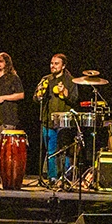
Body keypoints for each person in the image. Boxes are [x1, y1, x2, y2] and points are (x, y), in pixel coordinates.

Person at [33, 53, 78, 184]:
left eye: (56, 64)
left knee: (65, 150)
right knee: (51, 150)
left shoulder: (71, 81)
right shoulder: (45, 79)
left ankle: (66, 177)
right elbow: (35, 98)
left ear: (63, 66)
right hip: (48, 120)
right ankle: (52, 178)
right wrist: (39, 94)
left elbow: (75, 100)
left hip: (64, 122)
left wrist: (64, 92)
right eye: (52, 63)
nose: (53, 66)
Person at [0, 52, 24, 128]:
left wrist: (3, 98)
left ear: (7, 63)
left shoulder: (13, 77)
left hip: (8, 118)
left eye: (0, 61)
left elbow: (21, 95)